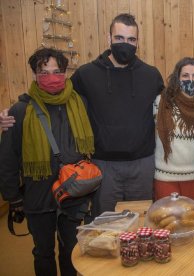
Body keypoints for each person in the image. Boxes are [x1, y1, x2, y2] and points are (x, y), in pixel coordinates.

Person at [0, 48, 95, 276]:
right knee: (43, 252)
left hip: (72, 193)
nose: (51, 77)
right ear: (34, 74)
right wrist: (12, 197)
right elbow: (8, 157)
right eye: (44, 72)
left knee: (71, 250)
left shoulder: (79, 103)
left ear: (65, 72)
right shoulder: (20, 110)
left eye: (57, 71)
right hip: (38, 196)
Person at [66, 14, 164, 216]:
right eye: (119, 38)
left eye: (131, 39)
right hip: (103, 165)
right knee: (106, 225)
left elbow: (173, 105)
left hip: (142, 164)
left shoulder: (151, 75)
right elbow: (59, 98)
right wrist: (21, 106)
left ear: (138, 42)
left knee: (140, 223)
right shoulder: (86, 74)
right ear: (108, 38)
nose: (125, 44)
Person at [153, 57, 194, 206]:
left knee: (192, 222)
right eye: (185, 75)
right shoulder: (161, 102)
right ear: (177, 78)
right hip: (166, 177)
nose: (190, 80)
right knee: (166, 223)